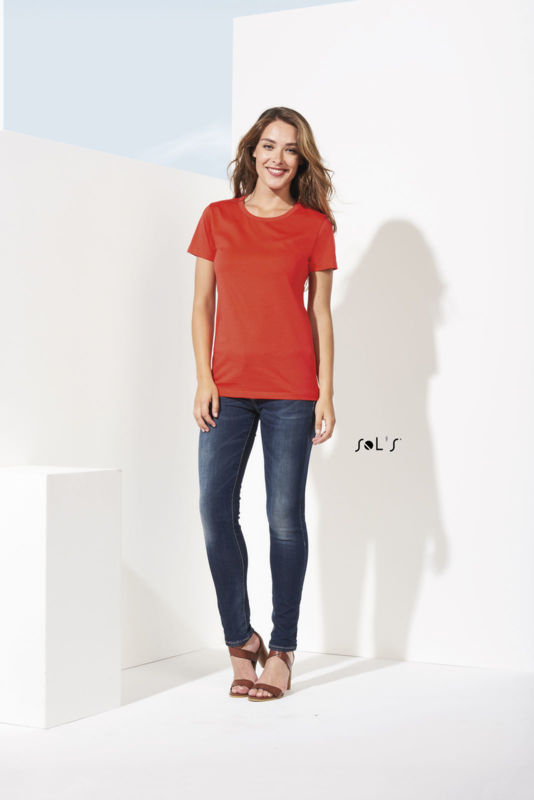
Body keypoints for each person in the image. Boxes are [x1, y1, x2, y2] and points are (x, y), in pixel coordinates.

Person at [187, 106, 338, 702]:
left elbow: (320, 313)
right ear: (252, 151)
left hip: (292, 392)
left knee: (284, 518)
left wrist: (326, 390)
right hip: (227, 387)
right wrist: (204, 377)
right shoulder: (217, 218)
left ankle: (282, 650)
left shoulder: (314, 227)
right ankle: (239, 640)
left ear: (301, 161)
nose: (279, 158)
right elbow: (202, 305)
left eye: (291, 149)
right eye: (270, 145)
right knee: (214, 510)